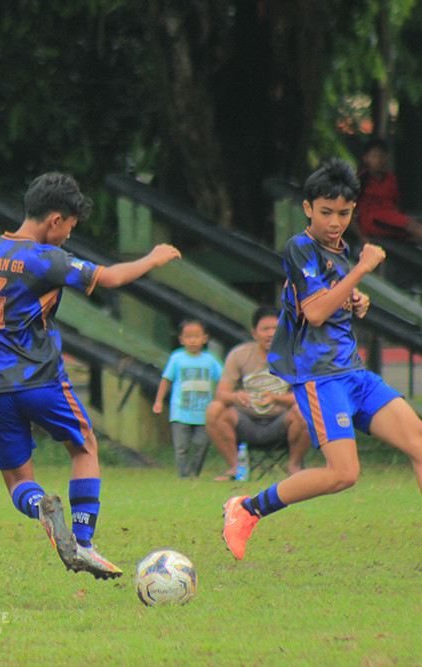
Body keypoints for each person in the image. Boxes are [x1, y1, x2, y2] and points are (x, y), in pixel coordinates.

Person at [0, 171, 181, 578]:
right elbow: (107, 278)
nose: (67, 238)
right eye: (68, 229)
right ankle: (84, 542)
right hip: (40, 380)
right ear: (54, 220)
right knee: (85, 445)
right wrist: (154, 258)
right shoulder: (45, 258)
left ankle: (40, 504)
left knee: (18, 482)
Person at [222, 158, 422, 560]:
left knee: (419, 443)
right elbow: (314, 312)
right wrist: (360, 273)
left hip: (355, 375)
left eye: (344, 213)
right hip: (322, 378)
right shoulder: (301, 248)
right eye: (326, 212)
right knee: (343, 474)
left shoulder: (341, 251)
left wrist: (354, 299)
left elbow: (326, 303)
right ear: (308, 208)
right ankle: (247, 508)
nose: (335, 221)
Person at [205, 306, 311, 481]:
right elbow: (221, 394)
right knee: (214, 409)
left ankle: (294, 467)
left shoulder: (296, 355)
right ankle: (234, 468)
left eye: (275, 329)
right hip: (245, 421)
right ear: (254, 333)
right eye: (265, 329)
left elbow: (306, 396)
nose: (270, 334)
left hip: (281, 422)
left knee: (306, 410)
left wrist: (277, 399)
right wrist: (235, 397)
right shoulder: (239, 355)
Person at [152, 319, 222, 479]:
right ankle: (183, 476)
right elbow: (166, 379)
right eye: (188, 337)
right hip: (180, 412)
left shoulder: (210, 360)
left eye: (196, 336)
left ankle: (195, 473)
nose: (192, 340)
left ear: (205, 338)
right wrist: (158, 401)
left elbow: (223, 378)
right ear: (181, 339)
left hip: (204, 412)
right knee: (181, 447)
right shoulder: (177, 358)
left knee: (202, 444)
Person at [355, 136, 422, 244]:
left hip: (391, 218)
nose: (379, 160)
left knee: (414, 231)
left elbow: (395, 203)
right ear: (366, 158)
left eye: (381, 156)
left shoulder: (391, 179)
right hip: (372, 220)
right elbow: (349, 210)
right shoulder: (361, 179)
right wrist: (361, 237)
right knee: (412, 226)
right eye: (374, 156)